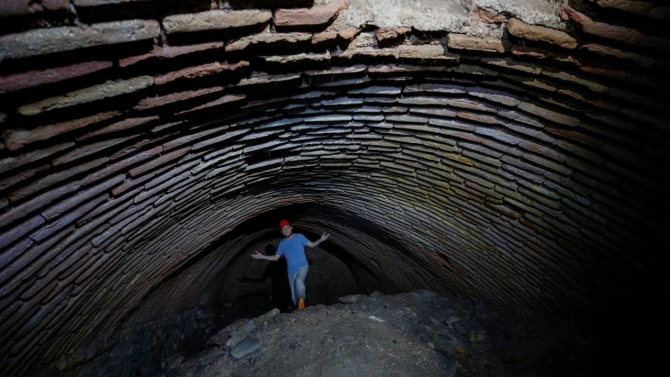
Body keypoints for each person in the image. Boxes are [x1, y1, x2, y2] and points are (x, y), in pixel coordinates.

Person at [250, 219, 330, 311]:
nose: (286, 230)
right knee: (293, 296)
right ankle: (299, 310)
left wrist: (321, 239)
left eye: (287, 227)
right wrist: (262, 256)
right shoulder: (282, 244)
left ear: (291, 228)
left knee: (299, 281)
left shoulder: (299, 237)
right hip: (291, 272)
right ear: (281, 232)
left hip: (302, 265)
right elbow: (276, 257)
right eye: (283, 229)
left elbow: (311, 245)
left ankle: (301, 306)